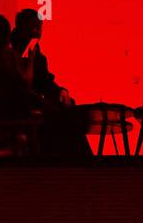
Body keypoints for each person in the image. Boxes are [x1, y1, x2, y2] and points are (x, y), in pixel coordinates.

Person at [7, 8, 90, 157]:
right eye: (32, 26)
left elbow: (45, 82)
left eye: (39, 27)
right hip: (18, 104)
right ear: (20, 27)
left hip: (33, 101)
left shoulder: (37, 54)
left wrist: (60, 91)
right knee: (61, 118)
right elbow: (21, 84)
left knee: (69, 110)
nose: (36, 31)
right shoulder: (8, 52)